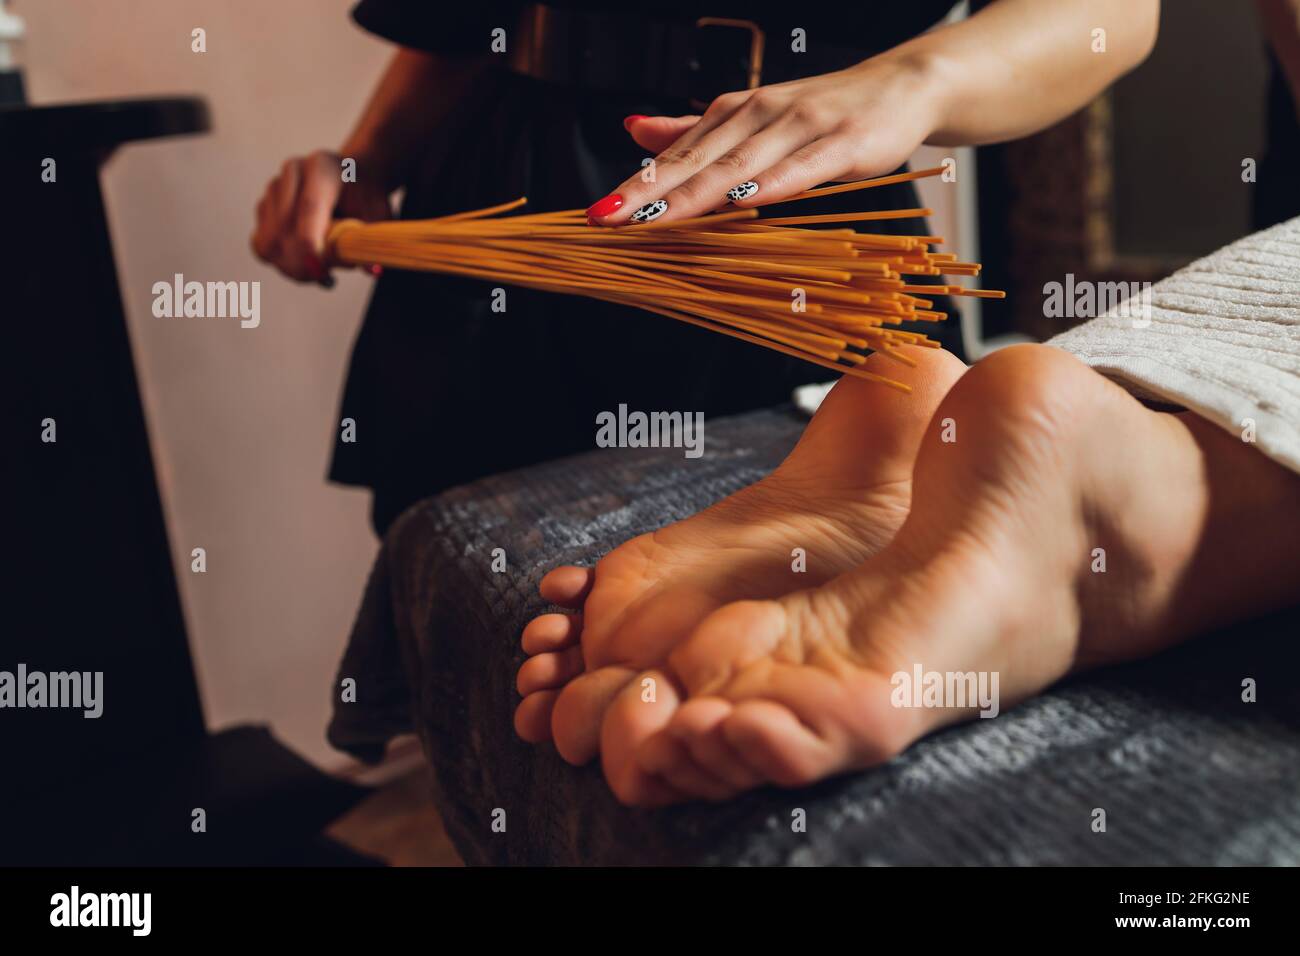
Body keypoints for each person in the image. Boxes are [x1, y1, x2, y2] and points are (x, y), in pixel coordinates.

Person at [252, 0, 1158, 535]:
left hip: (800, 228)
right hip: (507, 212)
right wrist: (365, 161)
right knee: (480, 623)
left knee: (835, 568)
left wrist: (914, 82)